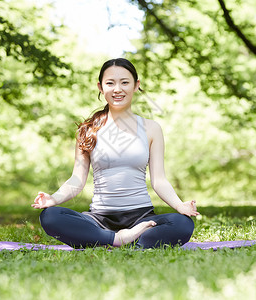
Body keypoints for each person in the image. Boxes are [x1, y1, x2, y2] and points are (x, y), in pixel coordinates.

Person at [32, 58, 199, 249]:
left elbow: (159, 180)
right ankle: (117, 239)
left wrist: (180, 206)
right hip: (99, 219)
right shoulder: (87, 130)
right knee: (50, 216)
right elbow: (77, 180)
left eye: (125, 82)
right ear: (101, 87)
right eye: (110, 83)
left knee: (182, 223)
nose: (117, 89)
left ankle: (124, 239)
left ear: (136, 85)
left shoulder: (151, 128)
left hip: (142, 218)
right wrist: (53, 199)